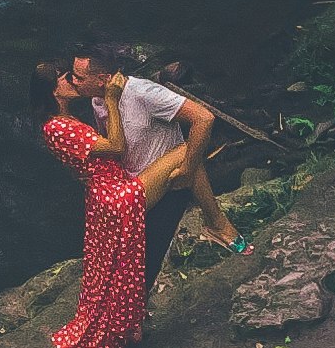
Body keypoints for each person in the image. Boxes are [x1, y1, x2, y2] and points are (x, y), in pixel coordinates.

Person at [73, 48, 237, 274]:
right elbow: (114, 143)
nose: (73, 82)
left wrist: (188, 169)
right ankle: (217, 223)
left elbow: (204, 118)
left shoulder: (144, 93)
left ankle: (218, 224)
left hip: (166, 185)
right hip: (134, 182)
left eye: (79, 77)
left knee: (144, 264)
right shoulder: (98, 101)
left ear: (103, 79)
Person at [35, 64, 149, 348]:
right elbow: (115, 146)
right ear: (54, 90)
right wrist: (111, 99)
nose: (72, 80)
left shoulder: (66, 119)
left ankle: (122, 334)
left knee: (110, 272)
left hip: (104, 191)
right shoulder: (57, 127)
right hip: (112, 195)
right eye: (65, 77)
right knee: (117, 272)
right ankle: (111, 345)